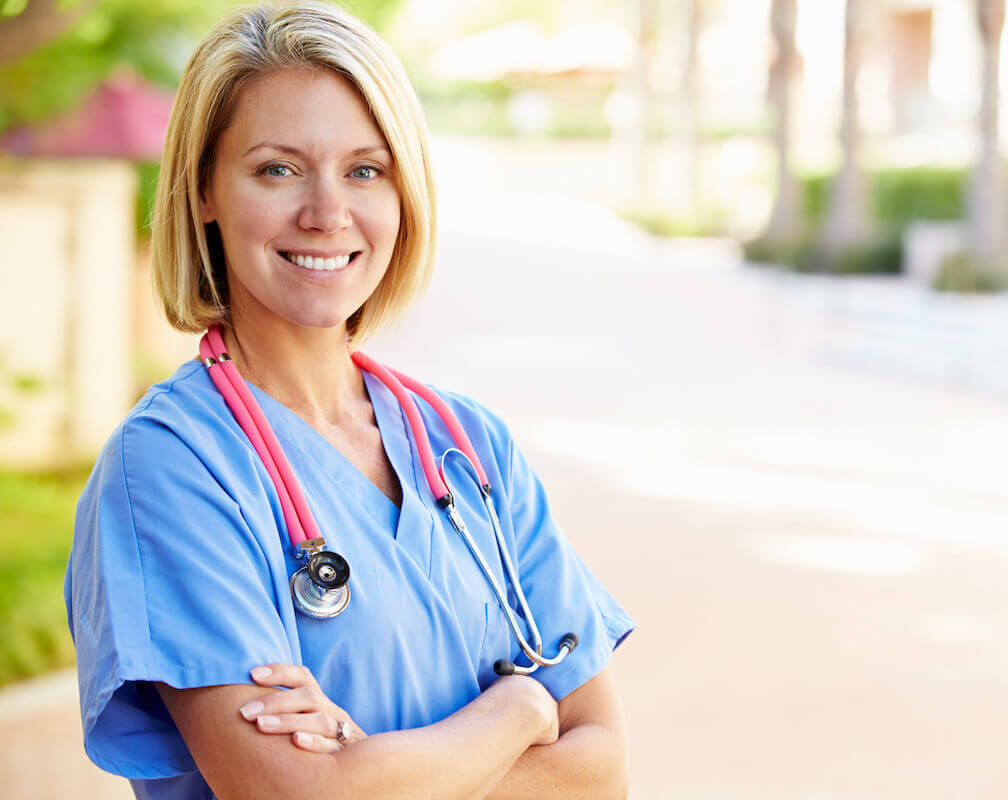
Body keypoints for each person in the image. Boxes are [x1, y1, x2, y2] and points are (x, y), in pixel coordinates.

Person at [63, 2, 635, 798]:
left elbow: (601, 772)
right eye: (278, 169)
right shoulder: (171, 466)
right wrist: (523, 709)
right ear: (203, 191)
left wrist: (369, 768)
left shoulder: (468, 447)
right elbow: (294, 793)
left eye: (365, 170)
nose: (327, 214)